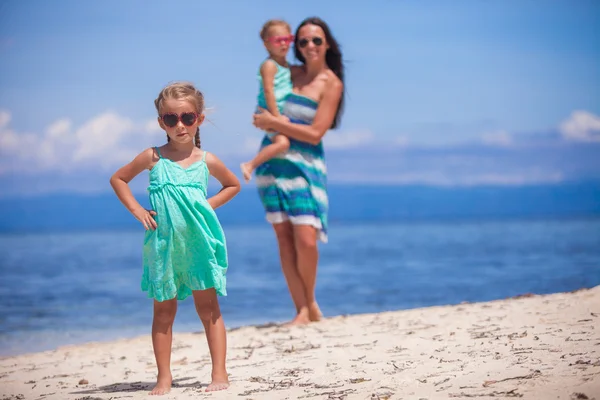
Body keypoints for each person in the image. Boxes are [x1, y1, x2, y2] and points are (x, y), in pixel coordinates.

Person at [110, 82, 240, 395]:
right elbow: (119, 179)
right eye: (171, 119)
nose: (179, 125)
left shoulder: (206, 160)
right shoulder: (152, 157)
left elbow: (232, 185)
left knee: (209, 309)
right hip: (163, 245)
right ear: (161, 122)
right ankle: (164, 377)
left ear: (199, 119)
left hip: (197, 243)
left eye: (187, 118)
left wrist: (203, 208)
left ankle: (219, 372)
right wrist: (137, 210)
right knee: (163, 311)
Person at [252, 17, 344, 325]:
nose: (309, 46)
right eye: (302, 41)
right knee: (284, 240)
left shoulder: (332, 83)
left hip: (306, 168)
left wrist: (273, 123)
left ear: (327, 44)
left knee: (306, 238)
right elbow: (263, 102)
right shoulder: (286, 73)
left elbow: (316, 133)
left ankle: (312, 300)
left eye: (316, 40)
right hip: (273, 165)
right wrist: (261, 117)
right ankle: (301, 309)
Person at [240, 19, 294, 183]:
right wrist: (276, 117)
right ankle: (250, 164)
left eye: (287, 39)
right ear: (266, 44)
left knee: (283, 142)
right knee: (283, 143)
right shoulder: (269, 65)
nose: (284, 44)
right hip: (268, 111)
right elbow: (268, 91)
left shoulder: (286, 65)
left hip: (276, 112)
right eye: (278, 40)